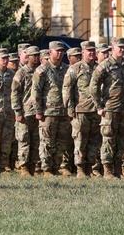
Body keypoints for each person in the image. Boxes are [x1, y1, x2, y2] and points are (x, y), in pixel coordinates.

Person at [91, 38, 124, 179]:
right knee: (108, 139)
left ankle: (118, 168)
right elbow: (94, 86)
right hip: (110, 108)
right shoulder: (104, 65)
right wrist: (99, 105)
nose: (122, 50)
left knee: (123, 140)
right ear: (113, 48)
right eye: (119, 47)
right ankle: (107, 169)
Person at [63, 40, 101, 178]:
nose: (91, 53)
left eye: (93, 50)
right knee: (80, 140)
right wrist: (70, 108)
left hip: (96, 110)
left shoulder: (99, 68)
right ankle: (80, 169)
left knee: (94, 141)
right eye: (88, 51)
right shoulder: (75, 68)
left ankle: (91, 167)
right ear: (83, 52)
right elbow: (67, 89)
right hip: (81, 110)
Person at [32, 41, 70, 176]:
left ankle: (56, 167)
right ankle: (47, 168)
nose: (60, 53)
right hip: (48, 112)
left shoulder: (66, 69)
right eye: (57, 51)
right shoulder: (42, 70)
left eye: (61, 51)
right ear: (50, 52)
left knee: (61, 142)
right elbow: (36, 91)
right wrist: (38, 111)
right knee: (47, 142)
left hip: (63, 112)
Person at [12, 45, 41, 176]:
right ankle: (24, 166)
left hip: (38, 112)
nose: (36, 58)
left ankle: (33, 166)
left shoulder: (41, 71)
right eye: (33, 55)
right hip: (25, 112)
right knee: (24, 140)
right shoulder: (21, 73)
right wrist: (18, 112)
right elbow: (15, 93)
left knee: (36, 140)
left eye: (37, 55)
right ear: (27, 56)